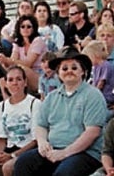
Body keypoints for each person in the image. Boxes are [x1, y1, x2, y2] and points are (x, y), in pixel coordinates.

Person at [13, 46, 108, 176]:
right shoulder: (52, 97)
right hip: (53, 149)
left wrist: (64, 153)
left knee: (64, 173)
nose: (69, 71)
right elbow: (41, 125)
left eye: (74, 68)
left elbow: (92, 133)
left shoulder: (93, 95)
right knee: (23, 163)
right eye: (64, 68)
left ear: (83, 72)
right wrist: (42, 142)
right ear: (58, 73)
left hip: (85, 153)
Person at [0, 66, 40, 176]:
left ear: (25, 83)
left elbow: (36, 140)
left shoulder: (35, 104)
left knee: (9, 167)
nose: (15, 83)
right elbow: (1, 139)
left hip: (28, 150)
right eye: (10, 80)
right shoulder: (1, 106)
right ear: (5, 83)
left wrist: (13, 155)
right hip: (9, 149)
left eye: (18, 79)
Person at [0, 15, 46, 93]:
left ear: (33, 28)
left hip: (39, 75)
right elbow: (12, 61)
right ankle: (6, 99)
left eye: (28, 26)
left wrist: (8, 60)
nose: (25, 29)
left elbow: (28, 63)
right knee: (2, 71)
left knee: (22, 70)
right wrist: (4, 61)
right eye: (22, 26)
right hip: (23, 75)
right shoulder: (17, 42)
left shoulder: (38, 41)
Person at [83, 41, 114, 110]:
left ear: (95, 54)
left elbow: (101, 83)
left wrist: (93, 96)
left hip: (106, 96)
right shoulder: (95, 67)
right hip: (98, 94)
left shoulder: (106, 65)